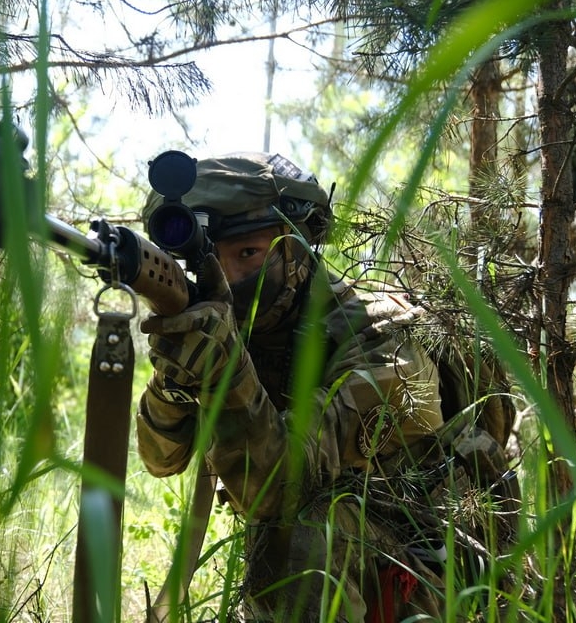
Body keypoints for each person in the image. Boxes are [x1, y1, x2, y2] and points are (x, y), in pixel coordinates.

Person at [135, 152, 516, 622]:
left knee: (298, 533)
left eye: (248, 253)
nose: (228, 278)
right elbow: (161, 459)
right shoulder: (237, 332)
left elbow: (278, 489)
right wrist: (173, 382)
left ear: (296, 247)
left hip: (432, 575)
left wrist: (225, 373)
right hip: (352, 573)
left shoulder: (381, 342)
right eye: (210, 259)